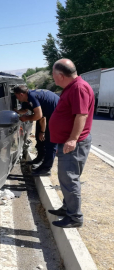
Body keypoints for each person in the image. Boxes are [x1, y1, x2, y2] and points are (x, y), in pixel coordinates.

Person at [48, 59, 94, 228]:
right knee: (65, 178)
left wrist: (73, 139)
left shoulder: (79, 88)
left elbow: (81, 115)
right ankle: (67, 208)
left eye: (53, 75)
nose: (52, 78)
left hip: (75, 143)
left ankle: (74, 217)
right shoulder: (72, 87)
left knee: (69, 179)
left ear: (60, 75)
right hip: (67, 141)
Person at [13, 85, 60, 176]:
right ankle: (40, 159)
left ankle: (46, 168)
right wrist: (17, 112)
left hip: (57, 114)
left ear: (21, 94)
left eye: (16, 95)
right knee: (39, 137)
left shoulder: (32, 97)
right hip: (45, 114)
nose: (16, 98)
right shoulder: (26, 99)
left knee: (50, 141)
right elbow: (25, 109)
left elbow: (39, 116)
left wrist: (26, 118)